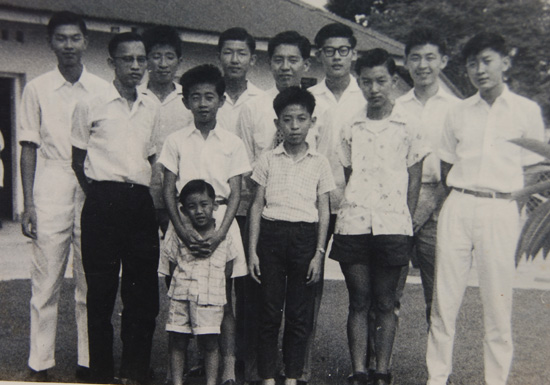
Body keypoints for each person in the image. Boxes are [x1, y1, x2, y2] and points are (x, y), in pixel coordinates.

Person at [426, 32, 545, 385]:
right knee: (444, 301)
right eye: (472, 63)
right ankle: (437, 377)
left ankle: (496, 379)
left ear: (505, 63)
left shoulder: (526, 111)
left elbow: (533, 171)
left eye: (487, 61)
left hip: (502, 210)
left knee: (498, 301)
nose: (479, 70)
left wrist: (513, 209)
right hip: (459, 204)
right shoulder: (458, 111)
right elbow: (447, 163)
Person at [18, 11, 108, 381]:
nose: (68, 45)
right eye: (61, 38)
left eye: (75, 38)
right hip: (51, 182)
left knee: (90, 281)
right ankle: (40, 363)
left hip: (91, 186)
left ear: (86, 42)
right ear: (50, 42)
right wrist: (29, 205)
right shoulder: (36, 88)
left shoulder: (103, 89)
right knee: (46, 283)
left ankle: (89, 361)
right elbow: (26, 147)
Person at [328, 48, 427, 385]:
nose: (374, 88)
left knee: (385, 302)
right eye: (366, 82)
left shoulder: (408, 125)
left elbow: (415, 176)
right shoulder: (350, 124)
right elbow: (348, 169)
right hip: (354, 223)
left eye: (381, 81)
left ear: (394, 81)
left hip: (393, 225)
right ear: (359, 82)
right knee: (358, 300)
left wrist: (406, 220)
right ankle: (358, 371)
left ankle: (382, 371)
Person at [71, 32, 160, 384]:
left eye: (141, 59)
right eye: (128, 59)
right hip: (102, 202)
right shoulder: (91, 102)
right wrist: (99, 194)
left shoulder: (151, 104)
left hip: (139, 203)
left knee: (142, 294)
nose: (137, 66)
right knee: (101, 292)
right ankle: (101, 372)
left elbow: (149, 156)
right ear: (112, 63)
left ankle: (134, 370)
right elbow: (78, 159)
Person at [158, 64, 251, 385]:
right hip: (184, 224)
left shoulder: (233, 142)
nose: (202, 103)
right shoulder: (175, 140)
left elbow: (237, 192)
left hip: (220, 226)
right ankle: (181, 371)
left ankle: (225, 367)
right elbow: (168, 188)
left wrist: (220, 234)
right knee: (182, 295)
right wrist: (182, 232)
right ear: (185, 102)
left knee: (222, 298)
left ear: (221, 100)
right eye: (195, 97)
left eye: (209, 97)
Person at [235, 30, 319, 384]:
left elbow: (324, 169)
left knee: (301, 308)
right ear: (269, 63)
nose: (286, 67)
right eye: (279, 60)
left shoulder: (318, 109)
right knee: (260, 305)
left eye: (293, 60)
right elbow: (242, 165)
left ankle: (298, 371)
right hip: (262, 216)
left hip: (303, 223)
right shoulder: (253, 107)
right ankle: (258, 372)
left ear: (305, 63)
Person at [248, 86, 335, 385]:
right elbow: (256, 205)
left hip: (305, 238)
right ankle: (268, 376)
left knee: (299, 314)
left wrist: (319, 253)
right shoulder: (267, 159)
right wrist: (252, 252)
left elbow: (324, 210)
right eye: (287, 120)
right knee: (270, 311)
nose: (295, 126)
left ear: (312, 121)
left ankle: (294, 375)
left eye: (301, 119)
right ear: (277, 124)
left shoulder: (320, 162)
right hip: (271, 237)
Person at [307, 23, 366, 383]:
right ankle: (302, 363)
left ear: (353, 53)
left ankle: (370, 365)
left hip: (355, 205)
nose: (336, 57)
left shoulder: (367, 98)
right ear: (319, 54)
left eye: (343, 50)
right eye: (329, 50)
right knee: (308, 283)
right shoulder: (310, 97)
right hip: (314, 203)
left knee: (362, 289)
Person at [395, 27, 459, 324]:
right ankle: (378, 366)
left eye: (430, 58)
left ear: (443, 61)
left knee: (438, 296)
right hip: (398, 205)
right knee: (388, 291)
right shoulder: (396, 107)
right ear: (406, 62)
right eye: (415, 58)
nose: (423, 65)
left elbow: (458, 165)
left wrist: (432, 202)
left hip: (441, 205)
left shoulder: (457, 109)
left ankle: (438, 369)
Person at [215, 27, 265, 383]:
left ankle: (247, 360)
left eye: (241, 53)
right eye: (228, 52)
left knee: (248, 289)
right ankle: (213, 357)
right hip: (213, 207)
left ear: (252, 59)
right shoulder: (209, 97)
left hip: (249, 208)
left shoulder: (261, 102)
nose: (234, 60)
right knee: (214, 288)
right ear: (220, 56)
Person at [164, 179, 237, 385]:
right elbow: (171, 264)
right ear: (184, 210)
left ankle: (211, 382)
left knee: (211, 343)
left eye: (204, 205)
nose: (199, 211)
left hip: (210, 300)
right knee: (178, 341)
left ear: (214, 205)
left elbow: (228, 270)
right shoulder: (179, 237)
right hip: (181, 298)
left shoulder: (223, 237)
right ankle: (177, 381)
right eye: (192, 207)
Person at [141, 25, 193, 236]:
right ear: (146, 60)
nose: (163, 64)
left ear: (179, 62)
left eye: (169, 57)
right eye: (156, 56)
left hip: (180, 192)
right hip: (142, 192)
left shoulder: (189, 99)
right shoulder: (135, 97)